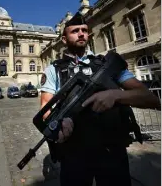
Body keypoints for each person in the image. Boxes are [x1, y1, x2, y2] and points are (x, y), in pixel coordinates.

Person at [40, 12, 160, 186]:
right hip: (74, 152)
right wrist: (58, 124)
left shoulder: (107, 64)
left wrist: (116, 95)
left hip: (111, 149)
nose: (81, 33)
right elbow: (45, 107)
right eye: (75, 31)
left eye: (84, 30)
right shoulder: (54, 70)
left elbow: (150, 98)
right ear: (64, 39)